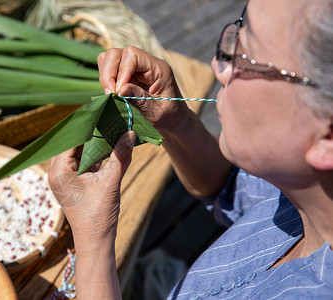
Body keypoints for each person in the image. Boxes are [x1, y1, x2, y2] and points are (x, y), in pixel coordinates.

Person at [48, 0, 333, 298]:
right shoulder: (302, 191)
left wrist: (93, 243)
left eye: (250, 57)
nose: (218, 66)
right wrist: (176, 122)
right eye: (237, 34)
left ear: (327, 137)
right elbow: (228, 188)